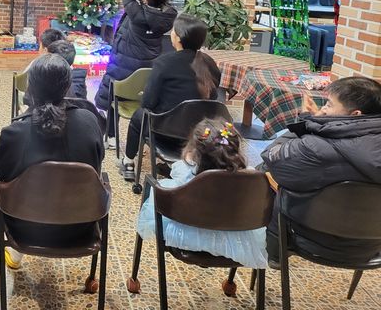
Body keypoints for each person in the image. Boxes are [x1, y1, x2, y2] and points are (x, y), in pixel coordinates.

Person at [0, 54, 105, 269]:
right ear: (67, 87)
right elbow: (97, 161)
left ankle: (15, 254)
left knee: (7, 187)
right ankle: (92, 275)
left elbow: (1, 171)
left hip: (24, 227)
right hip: (82, 226)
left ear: (30, 87)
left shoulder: (15, 131)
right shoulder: (89, 121)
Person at [261, 76, 381, 265]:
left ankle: (273, 254)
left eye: (329, 104)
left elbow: (271, 156)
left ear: (355, 114)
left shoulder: (316, 148)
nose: (323, 109)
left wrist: (308, 123)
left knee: (264, 177)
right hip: (372, 248)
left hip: (313, 240)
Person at [137, 119, 268, 268]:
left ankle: (135, 276)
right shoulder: (251, 179)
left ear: (194, 151)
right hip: (235, 243)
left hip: (186, 239)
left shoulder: (185, 172)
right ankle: (231, 281)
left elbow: (176, 175)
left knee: (157, 189)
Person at [120, 14, 221, 181]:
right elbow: (212, 99)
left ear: (179, 37)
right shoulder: (210, 64)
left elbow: (148, 102)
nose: (171, 33)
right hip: (200, 135)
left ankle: (128, 161)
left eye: (173, 30)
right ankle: (172, 165)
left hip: (164, 134)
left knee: (139, 115)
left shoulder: (164, 62)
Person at [94, 0, 177, 142]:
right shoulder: (167, 16)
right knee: (132, 94)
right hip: (147, 70)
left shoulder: (138, 14)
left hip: (123, 65)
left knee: (112, 93)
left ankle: (112, 136)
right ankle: (139, 134)